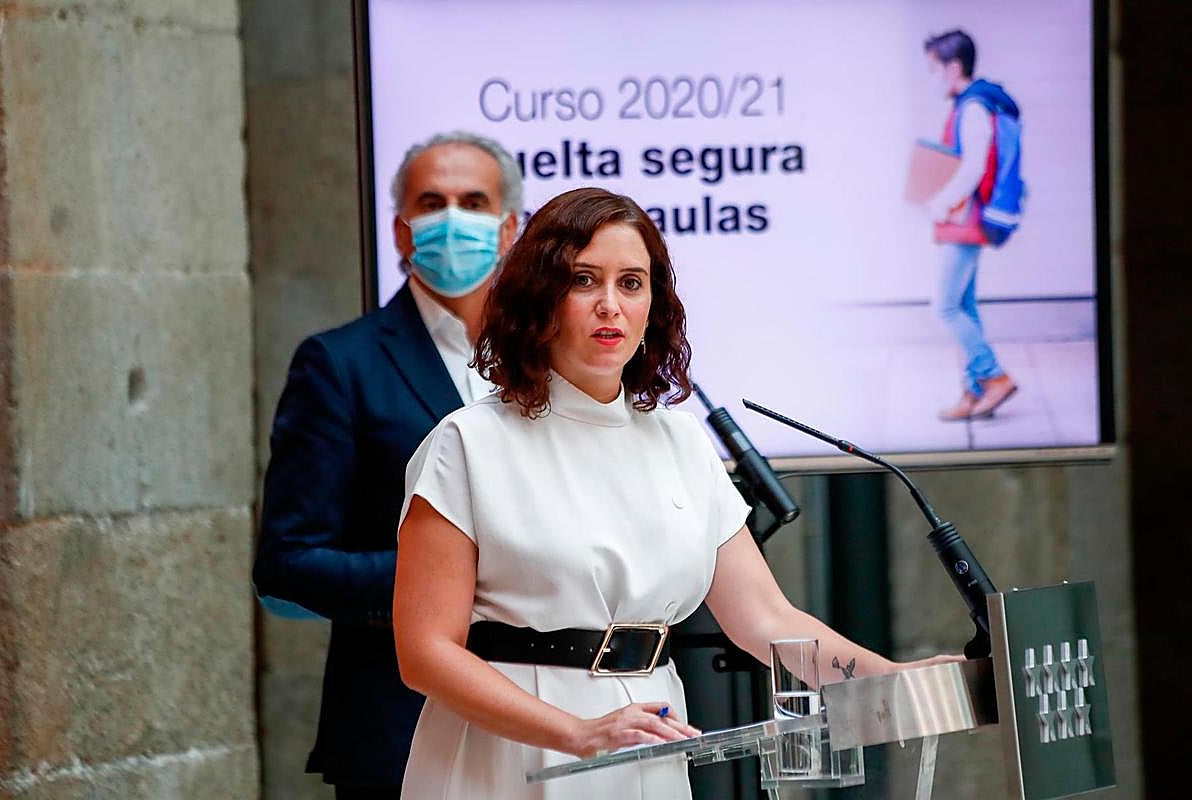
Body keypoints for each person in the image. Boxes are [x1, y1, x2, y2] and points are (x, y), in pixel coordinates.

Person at [393, 187, 959, 799]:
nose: (610, 305)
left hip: (651, 731)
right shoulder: (468, 443)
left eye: (631, 283)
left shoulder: (681, 441)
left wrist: (893, 681)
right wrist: (576, 733)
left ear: (652, 305)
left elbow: (765, 619)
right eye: (584, 280)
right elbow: (424, 652)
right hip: (512, 747)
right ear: (540, 298)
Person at [251, 131, 521, 798]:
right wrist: (444, 578)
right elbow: (287, 563)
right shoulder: (340, 365)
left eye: (473, 202)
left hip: (550, 718)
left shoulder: (549, 363)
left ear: (509, 228)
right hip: (401, 725)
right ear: (402, 232)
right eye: (431, 203)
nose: (452, 219)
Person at [924, 29, 1020, 421]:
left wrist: (942, 202)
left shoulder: (973, 108)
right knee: (963, 306)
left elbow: (974, 167)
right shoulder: (971, 105)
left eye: (934, 69)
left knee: (945, 306)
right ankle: (973, 391)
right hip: (966, 218)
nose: (932, 78)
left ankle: (994, 376)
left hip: (964, 219)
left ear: (954, 67)